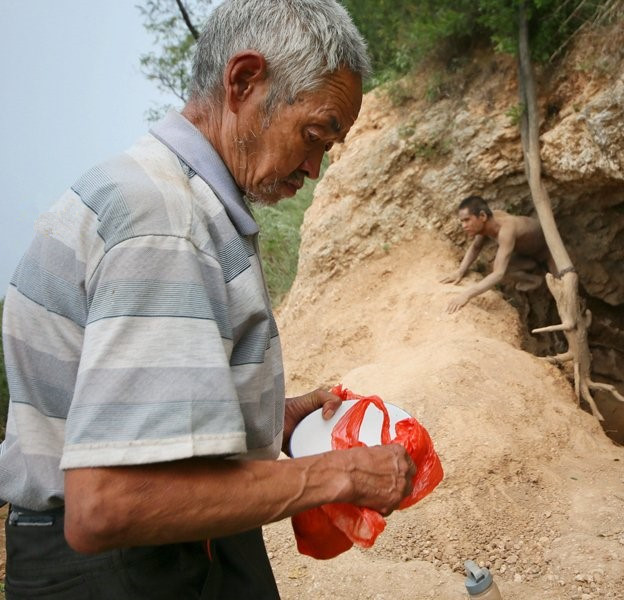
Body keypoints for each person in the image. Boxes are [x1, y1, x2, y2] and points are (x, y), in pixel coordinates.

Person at [0, 1, 415, 598]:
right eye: (315, 133)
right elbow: (108, 505)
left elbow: (100, 414)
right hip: (131, 573)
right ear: (244, 81)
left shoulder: (158, 194)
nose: (316, 167)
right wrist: (337, 473)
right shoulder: (165, 223)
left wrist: (264, 419)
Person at [442, 196, 556, 313]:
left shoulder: (506, 230)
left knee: (560, 285)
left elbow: (498, 274)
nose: (463, 226)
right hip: (526, 254)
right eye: (462, 221)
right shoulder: (489, 221)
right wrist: (460, 271)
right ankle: (534, 280)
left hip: (549, 251)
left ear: (482, 216)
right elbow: (476, 247)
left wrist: (466, 295)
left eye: (467, 220)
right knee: (503, 267)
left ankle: (537, 276)